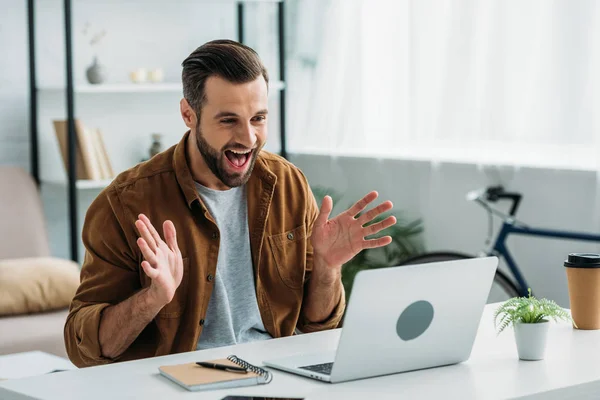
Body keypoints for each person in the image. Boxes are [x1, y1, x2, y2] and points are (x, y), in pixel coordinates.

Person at [64, 39, 397, 368]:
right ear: (188, 114)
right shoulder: (125, 202)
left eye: (258, 119)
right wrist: (153, 298)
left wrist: (327, 267)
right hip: (181, 384)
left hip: (276, 377)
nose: (248, 138)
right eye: (228, 120)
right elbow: (85, 351)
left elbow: (318, 326)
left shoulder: (288, 185)